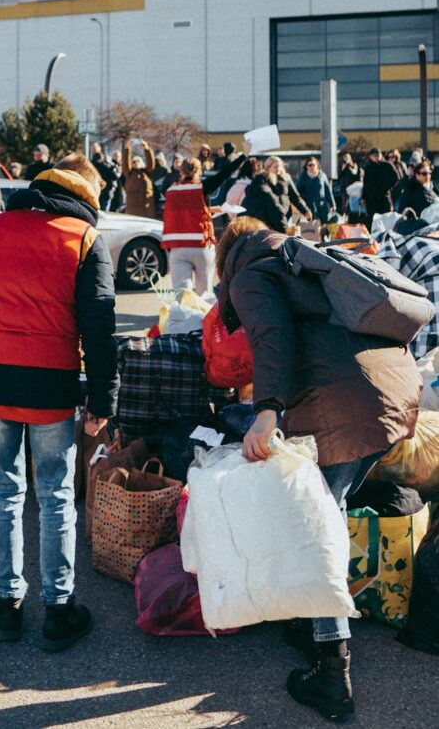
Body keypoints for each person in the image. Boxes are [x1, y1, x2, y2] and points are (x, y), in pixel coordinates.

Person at [216, 216, 420, 722]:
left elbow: (271, 337)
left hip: (345, 400)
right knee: (330, 510)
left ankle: (332, 670)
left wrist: (266, 411)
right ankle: (317, 621)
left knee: (316, 529)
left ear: (225, 256)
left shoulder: (250, 273)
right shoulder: (303, 257)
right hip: (392, 389)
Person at [0, 154, 119, 650]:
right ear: (86, 196)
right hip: (51, 383)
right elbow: (100, 331)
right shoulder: (84, 239)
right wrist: (103, 399)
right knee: (56, 495)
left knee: (3, 491)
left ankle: (7, 605)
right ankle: (59, 609)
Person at [162, 148, 245, 295]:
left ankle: (182, 318)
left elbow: (184, 210)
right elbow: (225, 174)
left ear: (181, 171)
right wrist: (243, 155)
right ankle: (204, 318)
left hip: (177, 248)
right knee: (204, 294)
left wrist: (210, 209)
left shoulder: (171, 191)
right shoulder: (203, 187)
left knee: (182, 295)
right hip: (201, 246)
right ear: (199, 171)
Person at [243, 156, 310, 233]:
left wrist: (305, 210)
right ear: (268, 167)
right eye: (275, 167)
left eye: (279, 166)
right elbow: (268, 198)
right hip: (269, 216)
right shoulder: (263, 179)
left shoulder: (286, 178)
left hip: (285, 216)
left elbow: (295, 197)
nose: (278, 169)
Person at [361, 148, 398, 229]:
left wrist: (388, 187)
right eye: (374, 156)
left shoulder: (387, 165)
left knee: (386, 218)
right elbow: (365, 183)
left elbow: (396, 178)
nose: (376, 157)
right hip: (371, 198)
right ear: (370, 157)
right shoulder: (368, 167)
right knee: (372, 219)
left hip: (384, 196)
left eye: (378, 155)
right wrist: (363, 197)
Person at [122, 139, 156, 217]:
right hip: (132, 211)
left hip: (146, 209)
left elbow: (151, 163)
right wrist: (127, 148)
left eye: (138, 161)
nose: (136, 163)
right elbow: (125, 163)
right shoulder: (129, 173)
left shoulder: (146, 173)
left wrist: (146, 149)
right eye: (134, 161)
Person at [296, 157, 336, 223]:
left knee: (323, 225)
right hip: (308, 206)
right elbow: (298, 191)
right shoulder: (303, 177)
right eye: (309, 165)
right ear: (306, 166)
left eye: (313, 165)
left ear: (317, 165)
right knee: (311, 227)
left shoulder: (322, 175)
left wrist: (332, 204)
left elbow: (328, 191)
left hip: (321, 206)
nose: (312, 167)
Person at [90, 143, 118, 211]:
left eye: (96, 147)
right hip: (95, 192)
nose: (94, 149)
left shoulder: (107, 160)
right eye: (93, 148)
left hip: (105, 192)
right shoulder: (90, 163)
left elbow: (114, 176)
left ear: (99, 148)